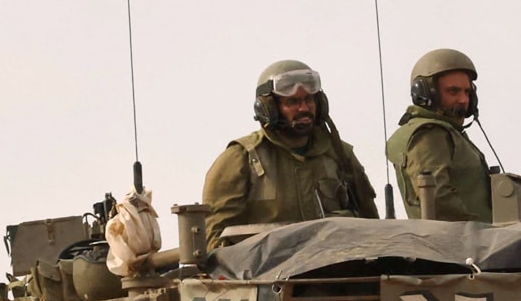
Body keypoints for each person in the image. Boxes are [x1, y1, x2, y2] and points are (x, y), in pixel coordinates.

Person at [200, 60, 378, 245]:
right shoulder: (241, 159)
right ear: (268, 108)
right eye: (292, 102)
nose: (304, 108)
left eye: (309, 99)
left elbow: (372, 225)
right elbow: (215, 241)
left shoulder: (340, 155)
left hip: (339, 269)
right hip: (265, 271)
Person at [386, 48, 493, 222]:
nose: (463, 100)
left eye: (467, 92)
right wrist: (486, 232)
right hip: (457, 243)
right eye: (453, 91)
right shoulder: (428, 135)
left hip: (476, 242)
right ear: (426, 93)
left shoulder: (448, 133)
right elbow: (437, 200)